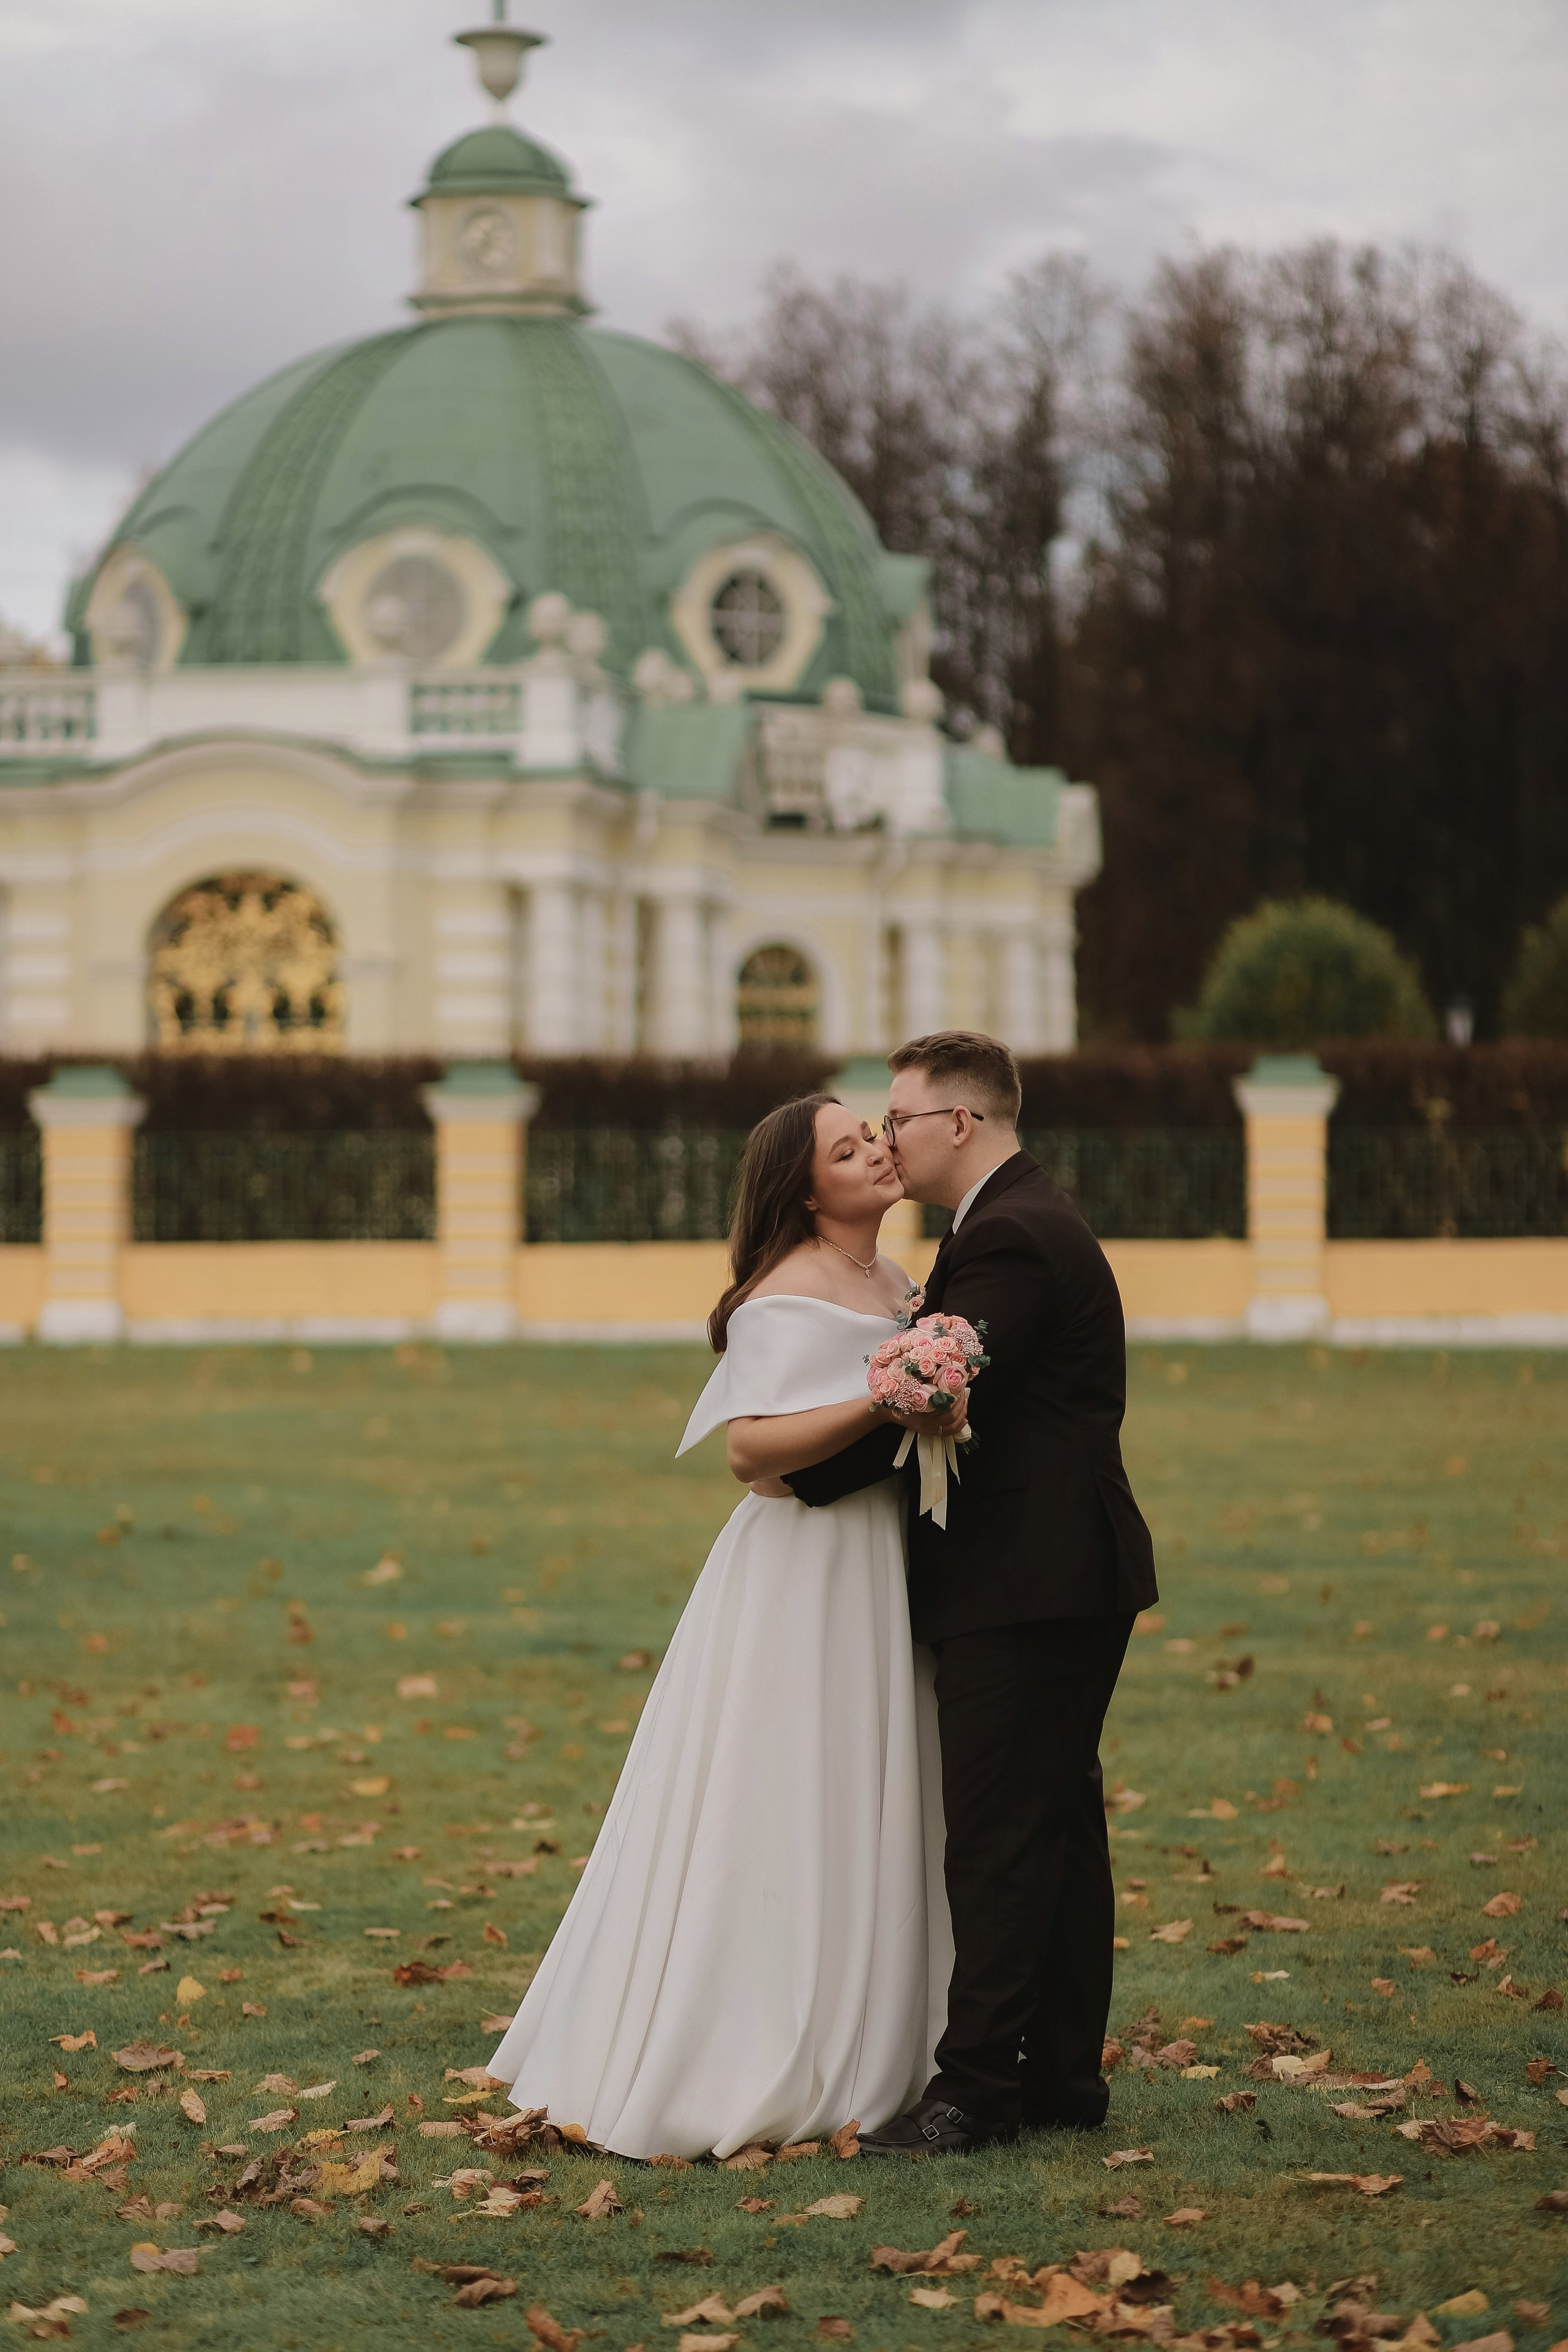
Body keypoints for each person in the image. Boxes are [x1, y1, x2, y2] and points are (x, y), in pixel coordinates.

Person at [485, 1094, 962, 2160]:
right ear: (805, 1191)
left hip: (887, 1558)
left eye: (873, 1135)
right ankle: (744, 2036)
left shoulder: (902, 1285)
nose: (877, 1153)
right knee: (786, 1787)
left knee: (879, 1785)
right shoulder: (778, 1298)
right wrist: (891, 1397)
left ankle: (892, 2028)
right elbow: (755, 1453)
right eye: (848, 1150)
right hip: (805, 1574)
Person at [784, 1031, 1158, 2157]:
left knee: (998, 1834)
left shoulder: (1013, 1239)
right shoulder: (1003, 1224)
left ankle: (975, 2091)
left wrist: (791, 1470)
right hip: (1053, 1571)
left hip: (1031, 1578)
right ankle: (1060, 2078)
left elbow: (929, 1385)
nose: (887, 1137)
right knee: (1052, 1825)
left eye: (897, 1118)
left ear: (961, 1123)